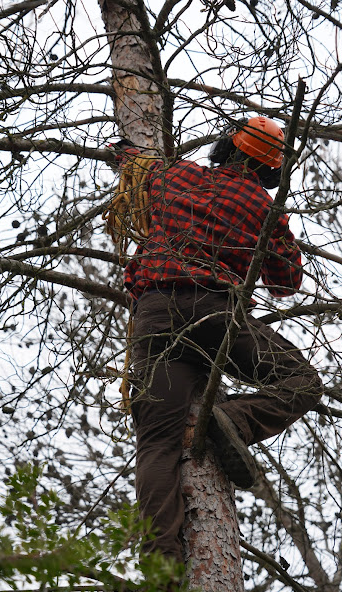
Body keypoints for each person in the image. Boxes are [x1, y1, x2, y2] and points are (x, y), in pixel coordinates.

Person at [107, 116, 323, 565]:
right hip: (217, 314)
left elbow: (136, 164)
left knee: (157, 444)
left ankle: (161, 566)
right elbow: (287, 282)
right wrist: (269, 231)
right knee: (301, 382)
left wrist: (126, 150)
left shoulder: (174, 174)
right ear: (269, 170)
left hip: (157, 314)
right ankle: (232, 419)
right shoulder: (265, 208)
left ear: (227, 147)